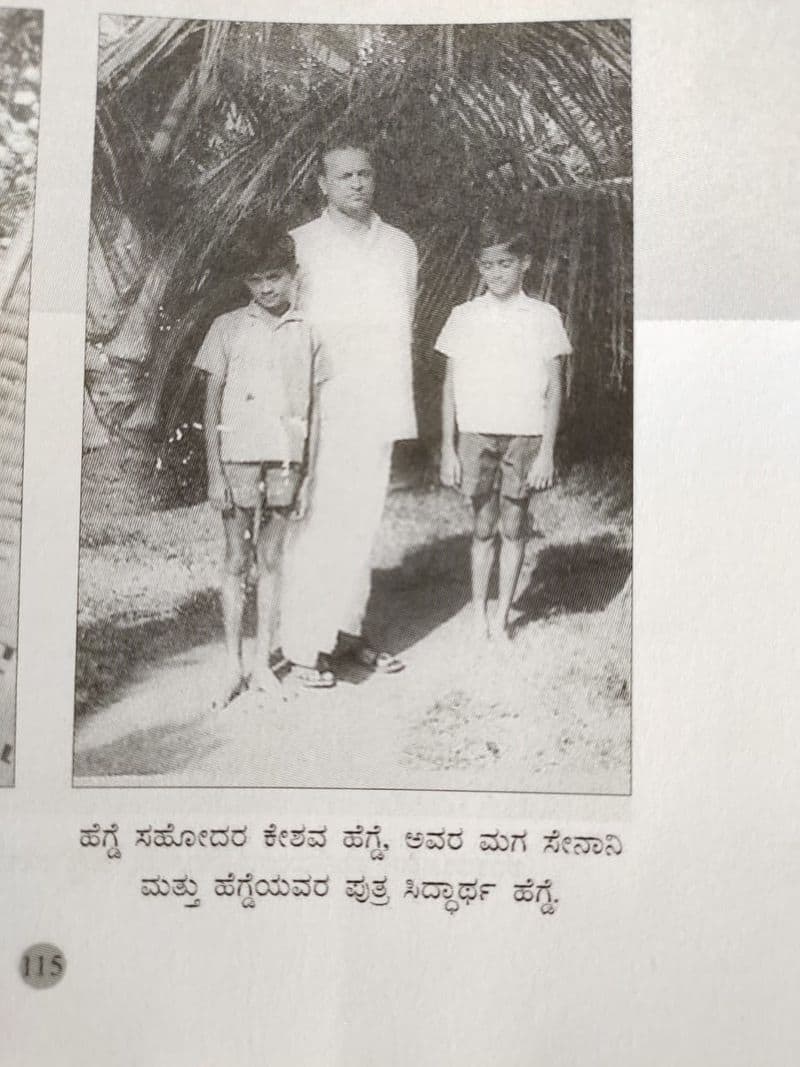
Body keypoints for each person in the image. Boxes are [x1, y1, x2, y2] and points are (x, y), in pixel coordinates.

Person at [280, 137, 418, 687]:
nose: (357, 184)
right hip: (323, 406)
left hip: (379, 401)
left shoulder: (400, 246)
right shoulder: (301, 244)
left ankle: (346, 633)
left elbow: (400, 327)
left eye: (365, 174)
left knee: (360, 523)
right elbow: (291, 332)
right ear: (322, 184)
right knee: (315, 521)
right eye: (345, 176)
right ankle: (302, 647)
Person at [194, 228, 326, 706]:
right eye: (256, 279)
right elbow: (209, 405)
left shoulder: (309, 330)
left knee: (271, 560)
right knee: (236, 560)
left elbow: (315, 408)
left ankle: (264, 664)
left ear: (293, 276)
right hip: (237, 461)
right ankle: (232, 665)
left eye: (275, 277)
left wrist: (308, 475)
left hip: (286, 461)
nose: (266, 288)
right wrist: (214, 472)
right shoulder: (227, 327)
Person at [436, 219, 571, 642]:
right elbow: (450, 385)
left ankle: (503, 616)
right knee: (482, 526)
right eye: (488, 265)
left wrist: (547, 452)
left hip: (525, 434)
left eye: (505, 263)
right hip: (476, 431)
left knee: (514, 524)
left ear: (524, 263)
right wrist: (447, 448)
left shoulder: (544, 316)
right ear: (479, 268)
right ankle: (479, 610)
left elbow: (554, 389)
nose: (496, 273)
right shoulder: (464, 316)